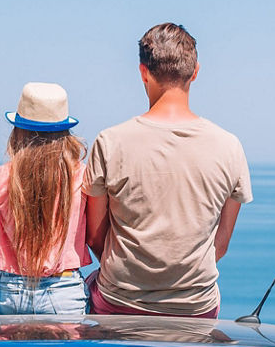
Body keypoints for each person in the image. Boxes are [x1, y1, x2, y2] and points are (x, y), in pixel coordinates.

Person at [0, 83, 131, 347]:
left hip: (13, 286)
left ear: (17, 131)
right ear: (65, 132)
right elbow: (92, 235)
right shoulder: (80, 177)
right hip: (64, 288)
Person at [85, 22, 252, 320]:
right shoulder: (229, 146)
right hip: (196, 306)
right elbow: (221, 244)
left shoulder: (110, 142)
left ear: (143, 72)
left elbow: (95, 236)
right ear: (196, 72)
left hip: (119, 301)